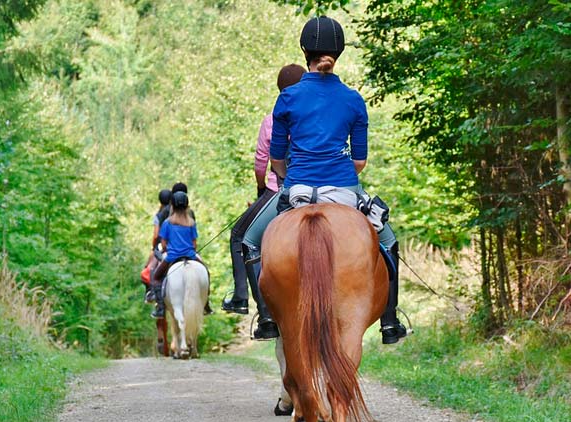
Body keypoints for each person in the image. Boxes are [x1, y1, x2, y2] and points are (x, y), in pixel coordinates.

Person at [242, 16, 407, 344]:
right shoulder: (353, 99)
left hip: (298, 188)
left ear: (305, 50)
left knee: (249, 241)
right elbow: (359, 161)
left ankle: (267, 317)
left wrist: (291, 177)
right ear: (339, 52)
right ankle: (390, 322)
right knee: (388, 242)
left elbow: (276, 160)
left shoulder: (288, 97)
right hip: (345, 189)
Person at [222, 64, 306, 340]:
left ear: (280, 90)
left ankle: (253, 306)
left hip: (281, 189)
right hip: (326, 186)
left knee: (241, 237)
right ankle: (388, 316)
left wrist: (262, 186)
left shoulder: (273, 119)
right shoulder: (314, 115)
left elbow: (263, 162)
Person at [150, 191, 210, 319]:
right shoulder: (191, 222)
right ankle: (206, 304)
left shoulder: (167, 223)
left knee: (155, 277)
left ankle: (160, 307)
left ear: (172, 205)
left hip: (172, 257)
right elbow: (194, 244)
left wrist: (169, 249)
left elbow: (164, 243)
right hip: (191, 255)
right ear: (187, 206)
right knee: (206, 273)